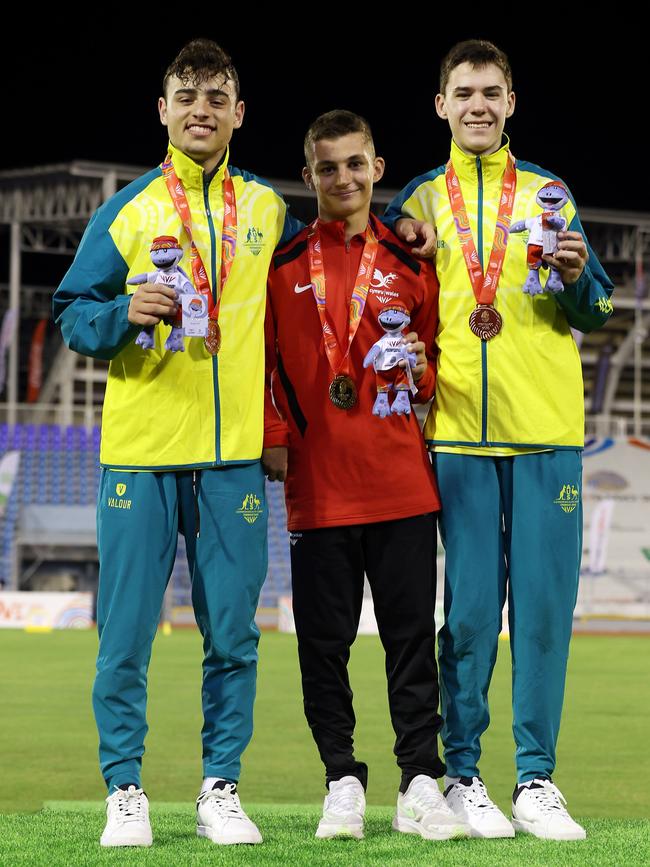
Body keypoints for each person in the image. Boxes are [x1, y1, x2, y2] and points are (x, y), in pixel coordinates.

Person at [53, 38, 300, 848]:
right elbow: (71, 312)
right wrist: (124, 313)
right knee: (124, 635)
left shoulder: (265, 209)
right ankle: (125, 790)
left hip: (231, 462)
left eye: (216, 95)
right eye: (186, 94)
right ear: (163, 110)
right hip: (140, 454)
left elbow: (314, 281)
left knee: (232, 634)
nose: (201, 108)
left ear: (238, 112)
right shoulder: (127, 211)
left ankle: (219, 788)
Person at [385, 39, 614, 841]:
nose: (478, 104)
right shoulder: (416, 204)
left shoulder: (550, 192)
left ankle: (538, 780)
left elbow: (593, 306)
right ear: (440, 105)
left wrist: (583, 273)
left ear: (511, 102)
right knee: (473, 613)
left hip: (547, 432)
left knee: (546, 611)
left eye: (491, 91)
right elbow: (391, 313)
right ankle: (463, 774)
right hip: (456, 436)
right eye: (463, 92)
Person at [263, 110, 469, 843]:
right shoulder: (281, 265)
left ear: (378, 168)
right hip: (317, 488)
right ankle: (342, 779)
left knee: (413, 638)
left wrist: (419, 371)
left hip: (401, 483)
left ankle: (420, 777)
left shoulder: (415, 261)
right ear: (309, 176)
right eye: (328, 167)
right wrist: (275, 438)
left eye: (356, 163)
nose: (343, 178)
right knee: (325, 645)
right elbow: (262, 367)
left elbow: (437, 368)